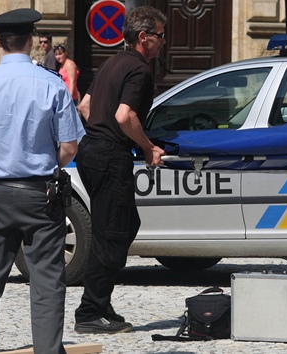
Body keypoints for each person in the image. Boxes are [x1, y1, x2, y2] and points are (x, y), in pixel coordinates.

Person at [0, 8, 85, 353]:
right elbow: (70, 147)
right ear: (31, 41)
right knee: (46, 280)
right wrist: (47, 165)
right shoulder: (51, 84)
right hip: (39, 193)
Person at [73, 6, 166, 334]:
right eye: (159, 36)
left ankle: (100, 302)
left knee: (123, 225)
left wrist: (99, 131)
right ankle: (89, 312)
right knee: (112, 232)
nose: (162, 43)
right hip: (110, 156)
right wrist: (147, 147)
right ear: (144, 37)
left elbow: (85, 106)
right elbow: (125, 116)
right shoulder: (139, 70)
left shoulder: (111, 62)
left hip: (91, 152)